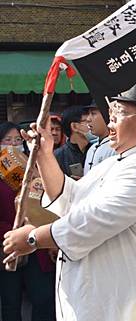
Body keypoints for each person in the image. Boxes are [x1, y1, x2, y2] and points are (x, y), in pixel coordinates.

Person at [3, 80, 136, 321]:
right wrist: (45, 155)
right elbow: (70, 198)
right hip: (103, 302)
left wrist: (32, 237)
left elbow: (90, 221)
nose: (109, 122)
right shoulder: (118, 161)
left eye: (118, 114)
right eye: (110, 113)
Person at [0, 122, 55, 321]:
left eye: (17, 140)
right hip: (7, 246)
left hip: (36, 244)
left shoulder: (34, 168)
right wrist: (14, 230)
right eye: (7, 140)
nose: (13, 145)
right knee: (10, 301)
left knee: (42, 298)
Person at [53, 106, 91, 179]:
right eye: (86, 121)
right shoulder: (58, 156)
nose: (90, 124)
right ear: (74, 126)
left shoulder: (95, 149)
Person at [83, 101, 116, 175]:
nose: (88, 119)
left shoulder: (116, 147)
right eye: (88, 114)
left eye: (93, 113)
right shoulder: (91, 148)